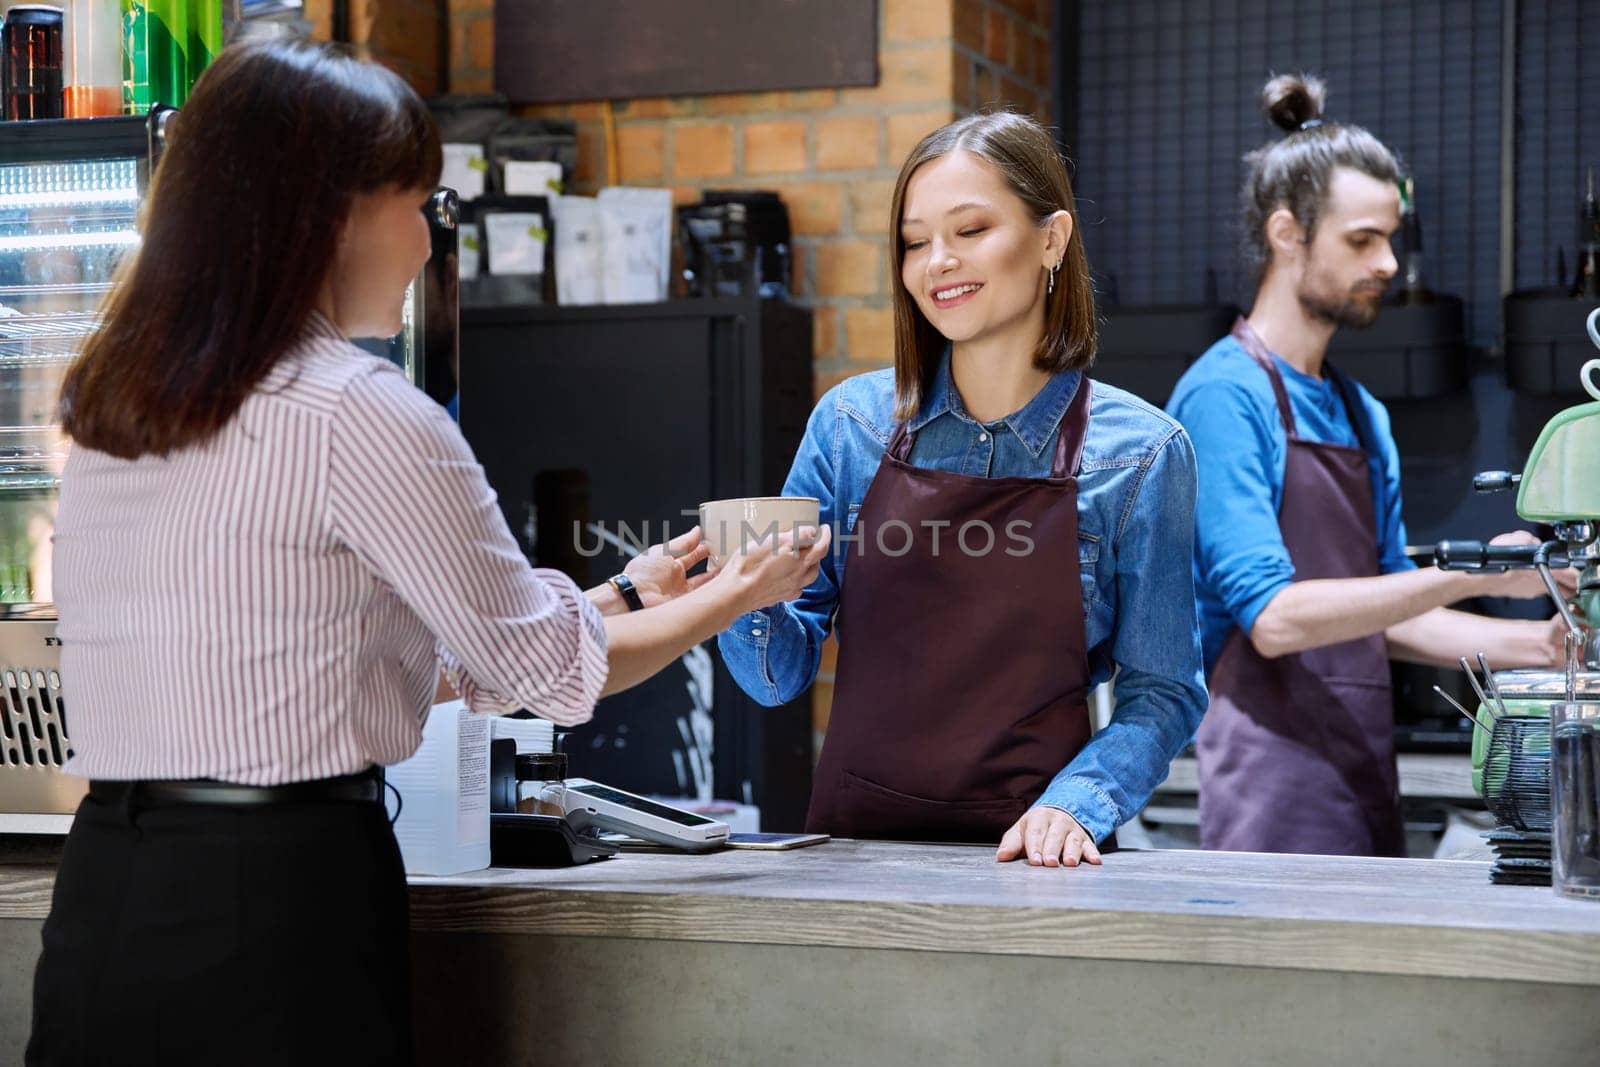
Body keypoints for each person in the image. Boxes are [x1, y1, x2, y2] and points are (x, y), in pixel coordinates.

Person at [28, 40, 824, 1066]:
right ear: (326, 214)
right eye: (413, 204)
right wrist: (736, 594)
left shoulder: (111, 406)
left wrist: (624, 589)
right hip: (274, 891)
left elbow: (337, 657)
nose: (425, 244)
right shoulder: (360, 411)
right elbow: (541, 674)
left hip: (105, 887)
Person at [717, 111, 1207, 868]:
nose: (937, 261)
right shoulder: (849, 426)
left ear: (1052, 239)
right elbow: (778, 677)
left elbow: (1165, 691)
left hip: (1038, 865)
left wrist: (1076, 802)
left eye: (970, 230)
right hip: (854, 865)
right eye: (915, 242)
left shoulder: (1141, 455)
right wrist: (737, 592)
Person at [1166, 74, 1571, 858]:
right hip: (1267, 785)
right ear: (1288, 234)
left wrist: (1541, 647)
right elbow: (1276, 619)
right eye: (1362, 240)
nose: (1388, 262)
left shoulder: (1360, 412)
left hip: (1360, 770)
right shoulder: (1224, 397)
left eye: (1391, 236)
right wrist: (1481, 571)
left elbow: (1392, 612)